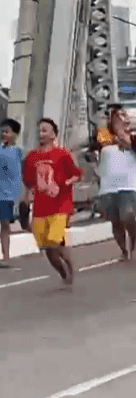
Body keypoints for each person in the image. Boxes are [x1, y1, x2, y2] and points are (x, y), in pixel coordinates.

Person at [22, 119, 83, 286]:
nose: (41, 134)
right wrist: (26, 200)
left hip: (60, 206)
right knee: (47, 248)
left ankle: (69, 267)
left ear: (53, 134)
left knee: (54, 244)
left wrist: (63, 184)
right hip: (41, 208)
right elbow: (29, 182)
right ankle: (63, 273)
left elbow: (76, 174)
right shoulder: (31, 157)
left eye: (45, 130)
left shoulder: (62, 154)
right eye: (39, 130)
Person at [97, 107, 136, 261]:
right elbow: (94, 148)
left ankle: (133, 244)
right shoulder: (102, 136)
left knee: (127, 215)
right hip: (108, 185)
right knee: (115, 221)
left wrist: (124, 138)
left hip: (129, 183)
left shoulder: (134, 137)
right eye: (116, 120)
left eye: (122, 119)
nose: (119, 123)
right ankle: (123, 250)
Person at [0, 119, 23, 266]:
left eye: (7, 132)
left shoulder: (18, 152)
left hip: (7, 195)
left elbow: (20, 174)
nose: (4, 134)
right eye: (3, 131)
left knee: (5, 225)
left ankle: (6, 257)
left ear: (14, 134)